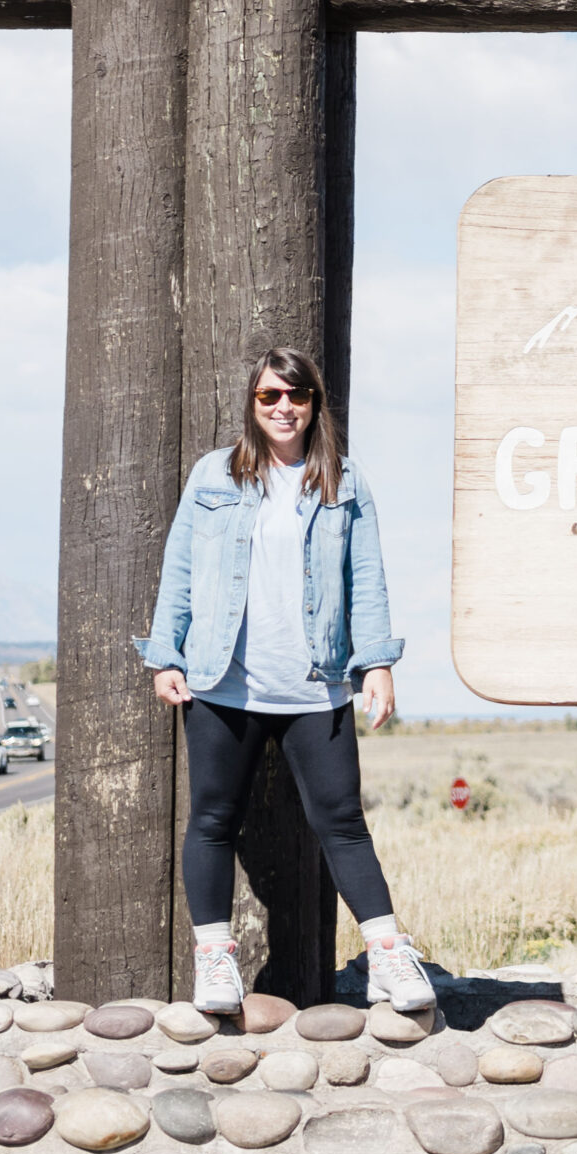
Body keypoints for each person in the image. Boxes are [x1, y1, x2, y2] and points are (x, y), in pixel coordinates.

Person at [137, 346, 436, 1020]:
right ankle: (215, 963)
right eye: (269, 396)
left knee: (343, 824)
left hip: (316, 686)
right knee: (213, 821)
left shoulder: (344, 482)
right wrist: (166, 657)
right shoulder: (214, 476)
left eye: (295, 396)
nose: (282, 407)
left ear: (313, 405)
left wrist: (377, 663)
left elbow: (367, 578)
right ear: (253, 402)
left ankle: (388, 956)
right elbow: (179, 567)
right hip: (222, 684)